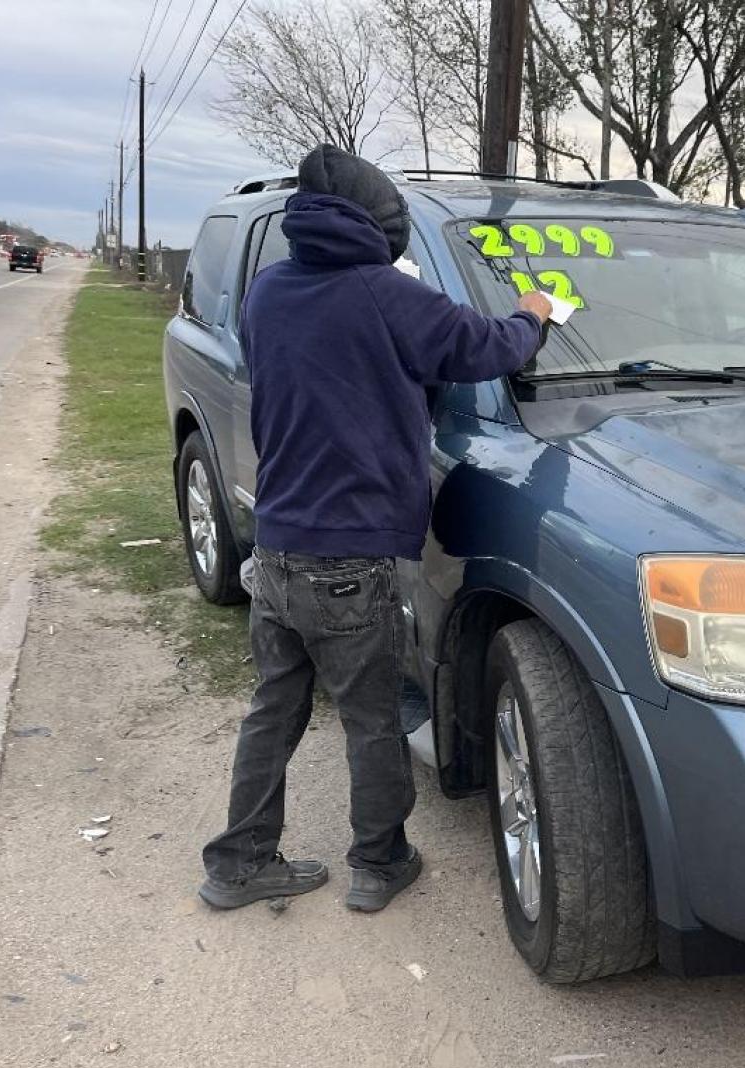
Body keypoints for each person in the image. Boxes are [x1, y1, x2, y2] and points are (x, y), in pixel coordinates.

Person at [199, 144, 552, 913]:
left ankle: (237, 863)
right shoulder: (389, 297)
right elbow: (484, 347)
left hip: (278, 544)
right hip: (349, 557)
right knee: (373, 719)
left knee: (274, 709)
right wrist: (533, 315)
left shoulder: (268, 291)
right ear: (378, 224)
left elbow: (329, 364)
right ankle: (380, 862)